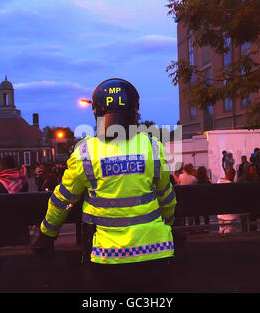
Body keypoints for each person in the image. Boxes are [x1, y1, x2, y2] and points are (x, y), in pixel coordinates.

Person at [32, 78, 176, 292]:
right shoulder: (152, 146)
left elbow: (62, 201)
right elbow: (167, 198)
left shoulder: (85, 152)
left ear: (97, 113)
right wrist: (169, 226)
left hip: (104, 258)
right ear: (134, 110)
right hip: (153, 252)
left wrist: (46, 236)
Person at [217, 168, 241, 234]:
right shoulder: (232, 186)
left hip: (220, 215)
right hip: (230, 216)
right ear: (232, 175)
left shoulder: (218, 183)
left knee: (222, 232)